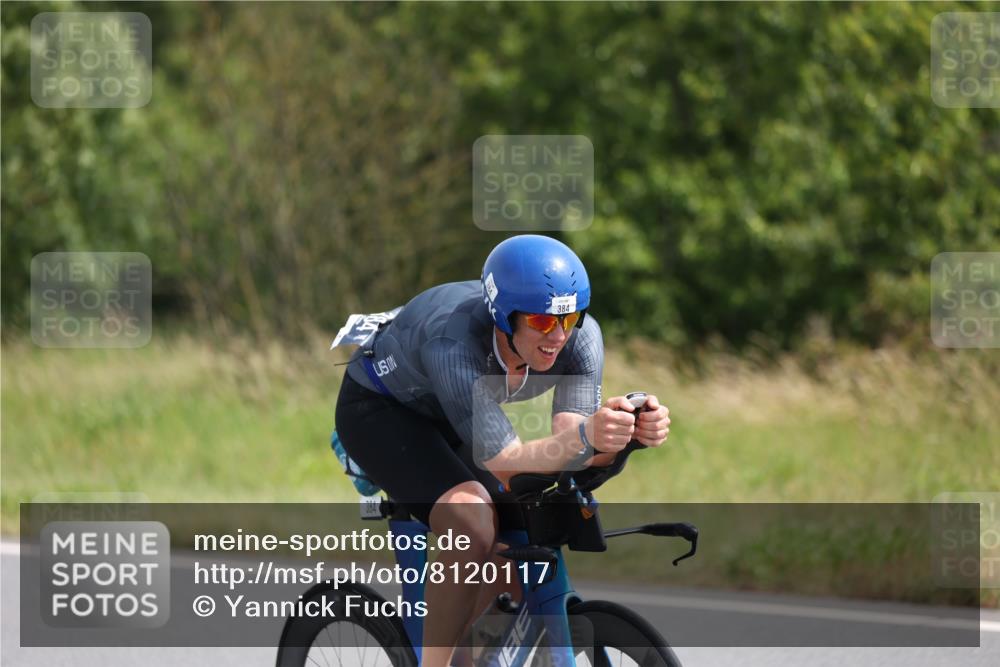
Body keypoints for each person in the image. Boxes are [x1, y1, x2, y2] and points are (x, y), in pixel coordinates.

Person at [334, 234, 671, 667]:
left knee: (520, 524)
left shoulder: (581, 339)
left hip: (456, 409)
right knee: (471, 519)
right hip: (381, 411)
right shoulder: (454, 342)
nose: (559, 336)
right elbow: (510, 464)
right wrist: (588, 436)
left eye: (569, 319)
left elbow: (569, 445)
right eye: (543, 323)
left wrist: (625, 437)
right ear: (503, 317)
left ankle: (472, 657)